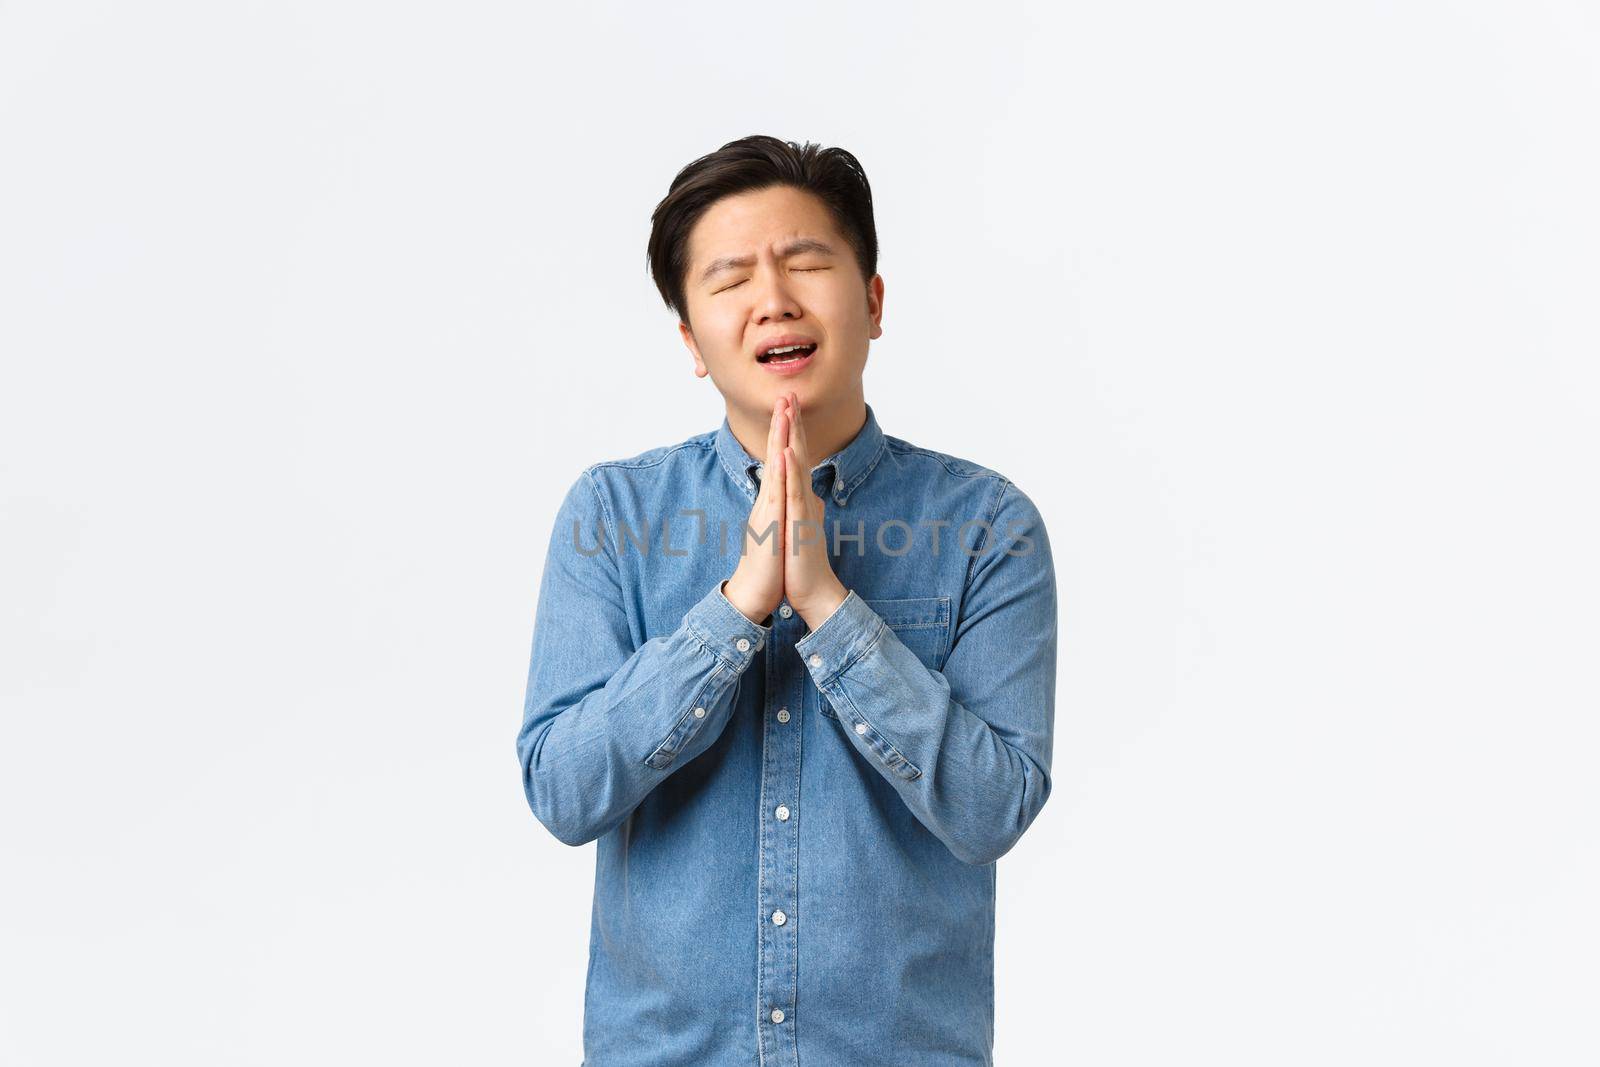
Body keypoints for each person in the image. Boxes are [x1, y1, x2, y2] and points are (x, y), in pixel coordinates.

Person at [516, 134, 1058, 1066]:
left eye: (808, 263)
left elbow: (993, 808)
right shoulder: (613, 515)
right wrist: (734, 609)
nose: (774, 299)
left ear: (874, 301)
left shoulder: (987, 525)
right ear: (691, 338)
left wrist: (828, 604)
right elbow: (563, 791)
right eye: (730, 280)